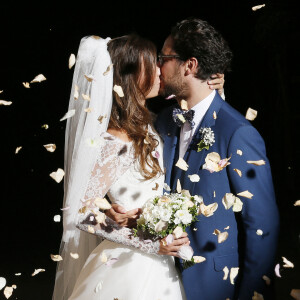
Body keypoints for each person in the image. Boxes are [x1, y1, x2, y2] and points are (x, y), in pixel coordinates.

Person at [154, 18, 280, 299]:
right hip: (159, 279)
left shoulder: (237, 132)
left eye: (164, 57)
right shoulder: (163, 122)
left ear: (190, 65)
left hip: (214, 285)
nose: (158, 65)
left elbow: (262, 228)